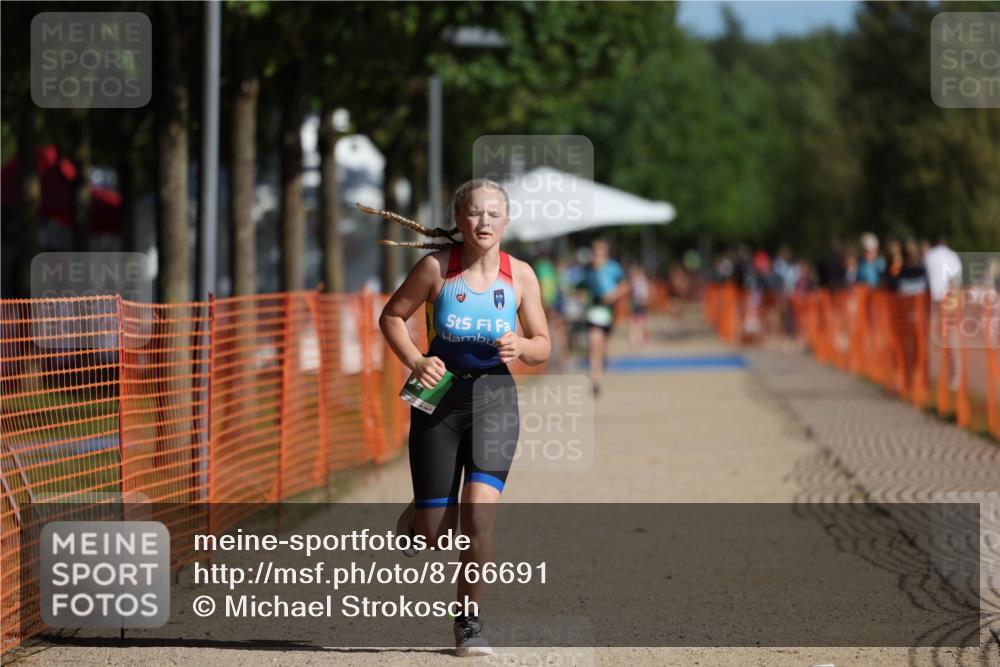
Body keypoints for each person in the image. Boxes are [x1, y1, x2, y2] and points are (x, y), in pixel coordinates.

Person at [375, 179, 550, 656]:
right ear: (459, 219)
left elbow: (543, 344)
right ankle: (417, 517)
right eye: (475, 213)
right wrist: (415, 360)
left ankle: (468, 623)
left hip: (495, 399)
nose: (484, 222)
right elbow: (392, 316)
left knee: (479, 514)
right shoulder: (435, 269)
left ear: (506, 221)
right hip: (439, 400)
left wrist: (524, 346)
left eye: (494, 214)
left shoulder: (521, 276)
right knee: (435, 534)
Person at [579, 238, 626, 396]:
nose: (598, 257)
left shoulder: (614, 269)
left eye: (602, 254)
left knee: (603, 348)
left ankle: (600, 368)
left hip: (609, 314)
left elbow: (625, 286)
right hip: (593, 314)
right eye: (596, 254)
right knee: (595, 344)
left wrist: (614, 295)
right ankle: (595, 380)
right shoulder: (588, 272)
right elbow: (579, 289)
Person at [924, 235, 963, 391]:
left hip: (934, 299)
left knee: (932, 338)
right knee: (951, 337)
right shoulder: (953, 256)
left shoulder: (929, 256)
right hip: (949, 298)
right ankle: (955, 376)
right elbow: (956, 281)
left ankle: (935, 376)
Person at [628, 263, 651, 347]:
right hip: (635, 304)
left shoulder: (642, 282)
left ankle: (641, 338)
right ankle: (634, 338)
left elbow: (644, 295)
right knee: (633, 321)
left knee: (641, 322)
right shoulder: (633, 282)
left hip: (641, 304)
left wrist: (643, 301)